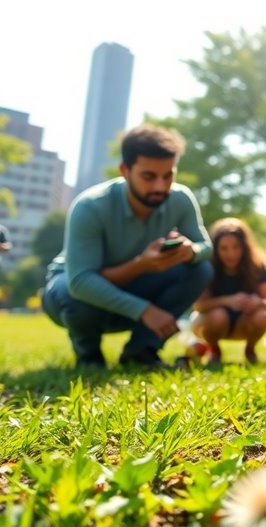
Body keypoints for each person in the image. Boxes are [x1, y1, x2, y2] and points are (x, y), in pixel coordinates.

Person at [42, 125, 214, 369]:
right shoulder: (90, 207)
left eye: (168, 176)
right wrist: (145, 309)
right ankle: (89, 356)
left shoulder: (181, 199)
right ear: (125, 171)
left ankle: (141, 351)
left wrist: (191, 252)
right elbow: (80, 281)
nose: (159, 186)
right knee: (74, 292)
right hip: (73, 293)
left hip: (133, 288)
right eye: (148, 176)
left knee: (201, 269)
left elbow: (206, 247)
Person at [190, 218, 266, 364]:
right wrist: (227, 301)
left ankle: (250, 349)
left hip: (243, 322)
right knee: (218, 315)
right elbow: (198, 306)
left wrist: (258, 302)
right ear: (216, 249)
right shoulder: (207, 267)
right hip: (210, 323)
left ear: (244, 247)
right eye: (224, 248)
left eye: (236, 247)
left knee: (261, 317)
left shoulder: (257, 266)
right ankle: (214, 350)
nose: (231, 254)